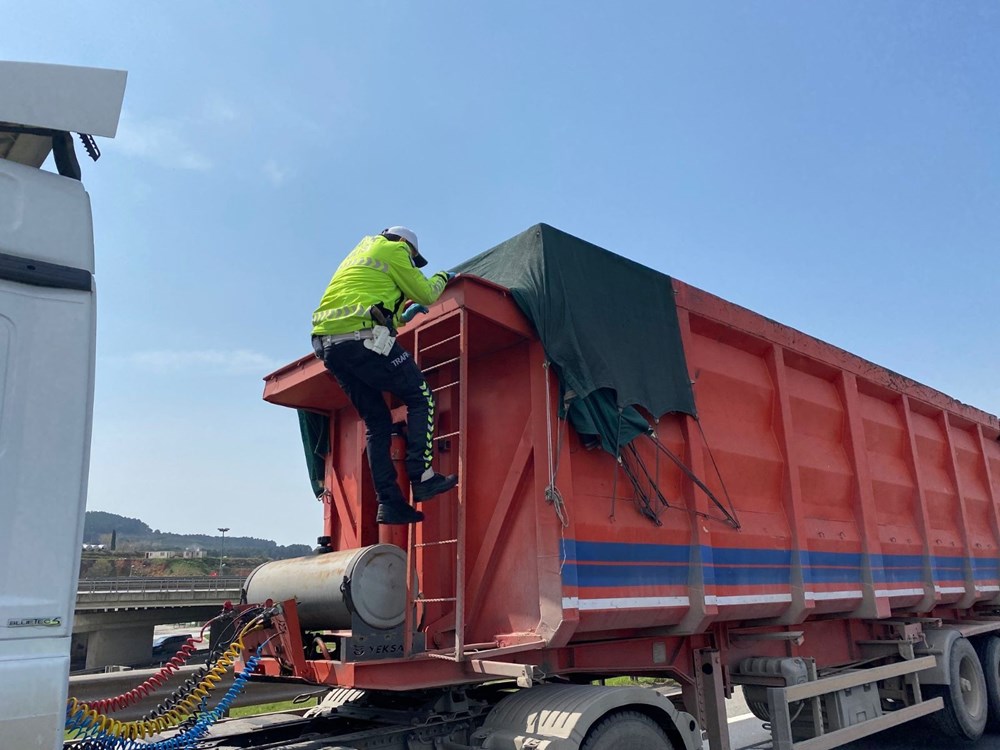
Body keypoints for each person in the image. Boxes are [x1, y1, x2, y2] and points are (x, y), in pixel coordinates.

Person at [311, 227, 458, 525]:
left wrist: (402, 317)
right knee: (421, 397)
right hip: (361, 339)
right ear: (404, 243)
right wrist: (443, 276)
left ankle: (390, 504)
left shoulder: (359, 255)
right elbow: (427, 292)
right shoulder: (396, 250)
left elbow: (369, 303)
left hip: (330, 347)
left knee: (377, 422)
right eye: (414, 258)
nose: (412, 263)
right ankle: (423, 476)